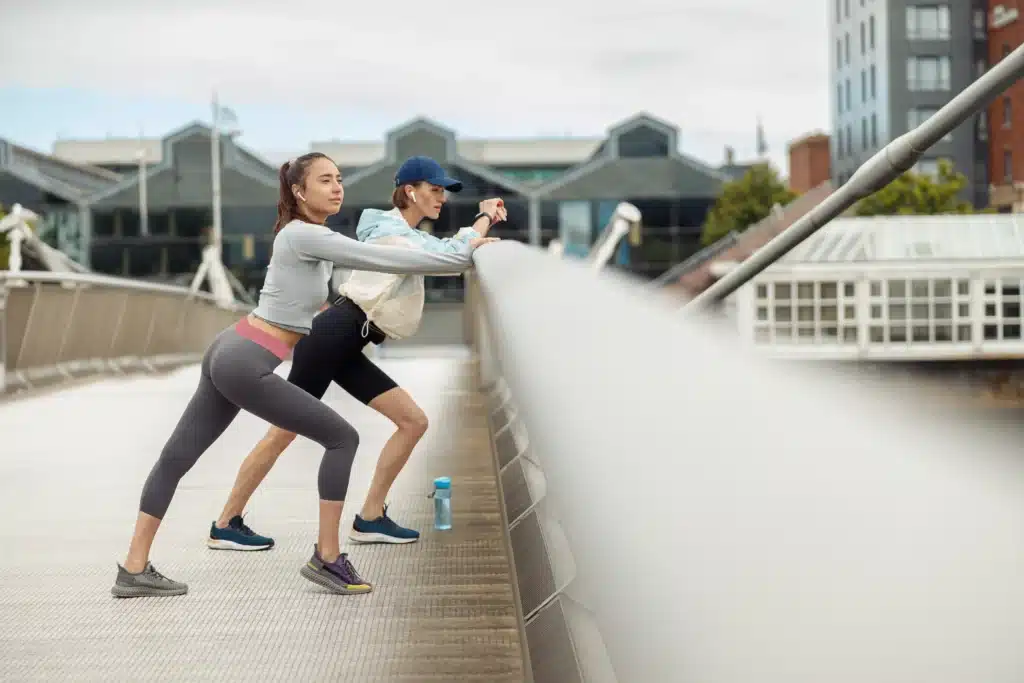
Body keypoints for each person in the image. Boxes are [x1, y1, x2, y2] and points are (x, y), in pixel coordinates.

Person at [110, 152, 498, 599]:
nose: (338, 188)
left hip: (236, 346)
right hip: (245, 358)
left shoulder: (304, 235)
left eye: (339, 179)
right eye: (325, 181)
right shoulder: (307, 236)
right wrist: (470, 246)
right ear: (299, 192)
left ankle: (134, 569)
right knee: (341, 438)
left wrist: (465, 243)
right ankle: (328, 558)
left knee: (176, 458)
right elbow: (396, 261)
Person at [204, 156, 507, 553]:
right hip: (332, 336)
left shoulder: (409, 234)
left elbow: (445, 250)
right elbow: (448, 258)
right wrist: (481, 225)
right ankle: (227, 522)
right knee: (283, 431)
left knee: (412, 421)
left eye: (444, 193)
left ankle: (370, 517)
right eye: (435, 191)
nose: (441, 200)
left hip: (349, 340)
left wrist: (483, 221)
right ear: (411, 192)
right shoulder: (389, 235)